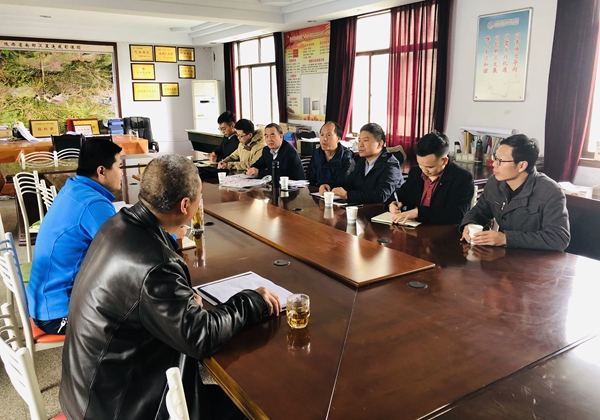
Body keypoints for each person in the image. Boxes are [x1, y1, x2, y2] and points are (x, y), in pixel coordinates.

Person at [59, 154, 281, 420]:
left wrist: (180, 299)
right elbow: (201, 337)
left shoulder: (118, 224)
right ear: (186, 205)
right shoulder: (156, 265)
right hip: (121, 407)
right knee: (257, 407)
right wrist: (252, 300)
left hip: (91, 392)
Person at [26, 138, 123, 334]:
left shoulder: (73, 188)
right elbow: (126, 252)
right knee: (141, 317)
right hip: (59, 314)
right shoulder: (93, 203)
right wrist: (169, 235)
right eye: (119, 167)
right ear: (102, 171)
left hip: (45, 301)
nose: (121, 173)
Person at [460, 134, 570, 251]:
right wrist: (470, 224)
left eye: (500, 161)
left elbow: (559, 238)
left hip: (536, 258)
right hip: (504, 254)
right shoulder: (495, 182)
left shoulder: (550, 192)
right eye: (495, 158)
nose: (494, 164)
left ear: (522, 165)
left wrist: (505, 239)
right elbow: (479, 212)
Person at [388, 132, 474, 224]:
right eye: (420, 164)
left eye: (430, 167)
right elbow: (399, 195)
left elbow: (457, 214)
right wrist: (393, 203)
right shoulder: (416, 172)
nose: (424, 170)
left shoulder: (462, 178)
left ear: (444, 161)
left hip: (442, 230)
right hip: (411, 227)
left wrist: (418, 213)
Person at [319, 123, 403, 204]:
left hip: (384, 211)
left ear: (379, 144)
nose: (360, 145)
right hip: (363, 208)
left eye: (365, 140)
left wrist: (348, 195)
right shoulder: (362, 161)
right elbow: (349, 183)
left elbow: (381, 195)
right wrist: (329, 186)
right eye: (359, 140)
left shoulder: (390, 165)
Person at [306, 121, 355, 186]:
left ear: (338, 139)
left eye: (329, 135)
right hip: (317, 191)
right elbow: (309, 179)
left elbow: (343, 184)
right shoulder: (317, 154)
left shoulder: (346, 158)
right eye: (322, 135)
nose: (324, 139)